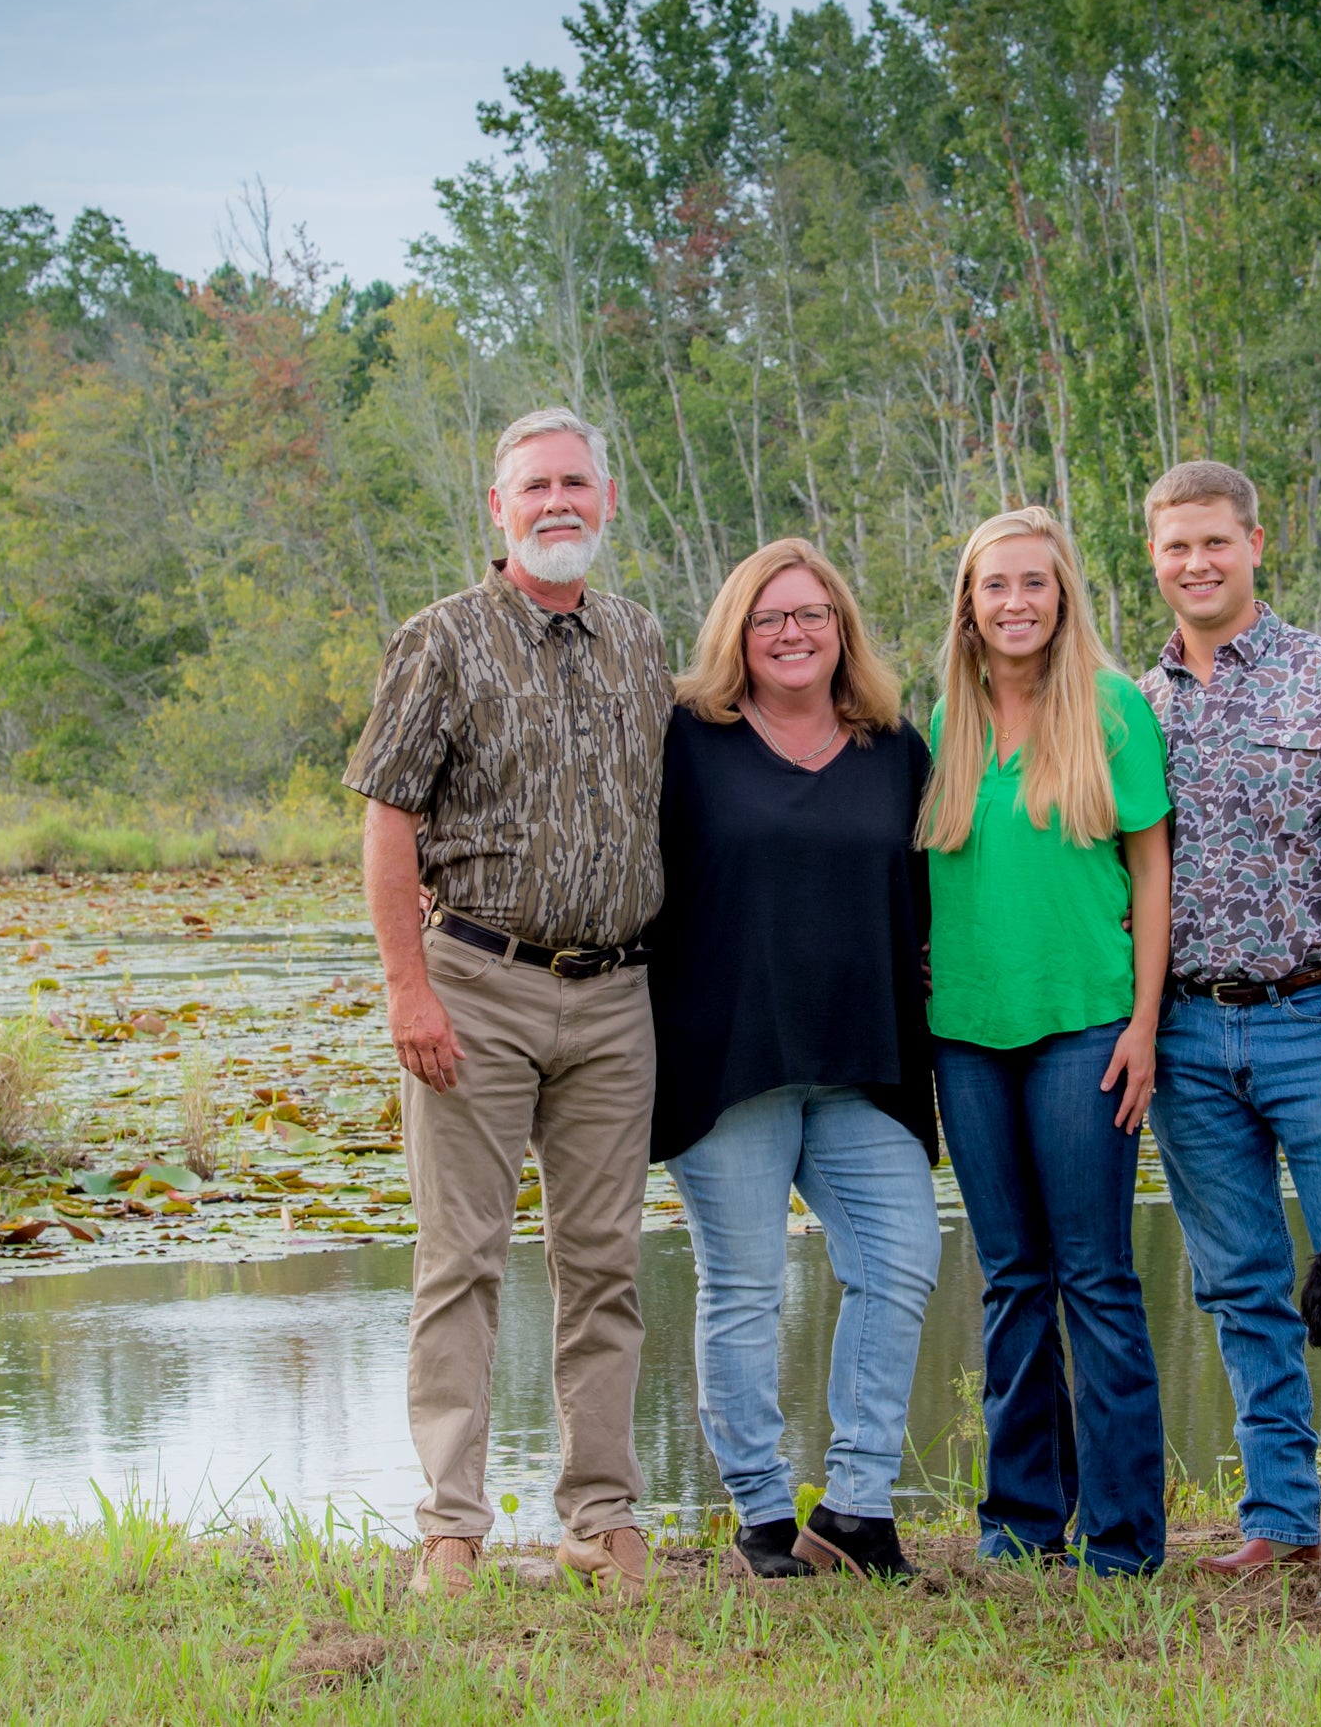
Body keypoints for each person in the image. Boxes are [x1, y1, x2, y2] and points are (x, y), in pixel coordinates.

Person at [341, 406, 674, 1597]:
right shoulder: (440, 640)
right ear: (499, 507)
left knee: (605, 1264)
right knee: (461, 1261)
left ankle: (601, 1514)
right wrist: (407, 988)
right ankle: (451, 1525)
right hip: (477, 982)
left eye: (575, 482)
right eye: (534, 486)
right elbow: (387, 820)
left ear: (608, 496)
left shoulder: (641, 640)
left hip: (615, 990)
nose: (557, 503)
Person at [1136, 459, 1321, 1577]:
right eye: (1176, 546)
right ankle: (1279, 1515)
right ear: (1154, 557)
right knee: (1238, 1283)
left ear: (1257, 543)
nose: (1197, 563)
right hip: (1187, 1035)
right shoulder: (1137, 703)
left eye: (1216, 541)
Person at [647, 538, 939, 1582]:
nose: (794, 631)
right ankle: (764, 1512)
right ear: (737, 629)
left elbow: (933, 889)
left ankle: (857, 1507)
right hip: (729, 1058)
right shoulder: (685, 737)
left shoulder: (894, 745)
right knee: (745, 1286)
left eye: (814, 612)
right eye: (771, 616)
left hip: (865, 1058)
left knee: (901, 1263)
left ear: (842, 627)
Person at [919, 505, 1174, 1575]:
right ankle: (1023, 1525)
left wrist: (1146, 1025)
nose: (1015, 602)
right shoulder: (943, 722)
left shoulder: (1113, 712)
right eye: (995, 586)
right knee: (1012, 1277)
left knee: (1096, 1276)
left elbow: (1154, 873)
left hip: (1087, 1029)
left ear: (1063, 594)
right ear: (968, 607)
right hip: (968, 1036)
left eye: (1034, 582)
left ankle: (1123, 1538)